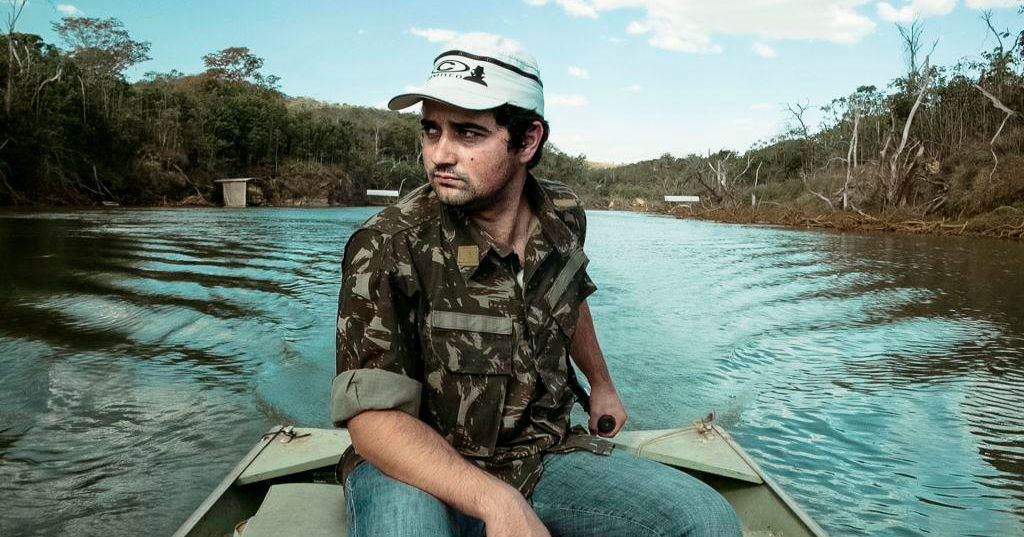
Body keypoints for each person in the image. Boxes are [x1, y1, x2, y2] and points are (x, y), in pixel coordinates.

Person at [330, 32, 742, 537]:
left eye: (468, 134)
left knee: (707, 520)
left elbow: (569, 298)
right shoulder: (387, 245)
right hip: (411, 468)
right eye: (431, 131)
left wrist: (603, 385)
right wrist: (496, 503)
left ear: (527, 141)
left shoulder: (563, 216)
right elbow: (371, 420)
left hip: (538, 456)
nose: (440, 154)